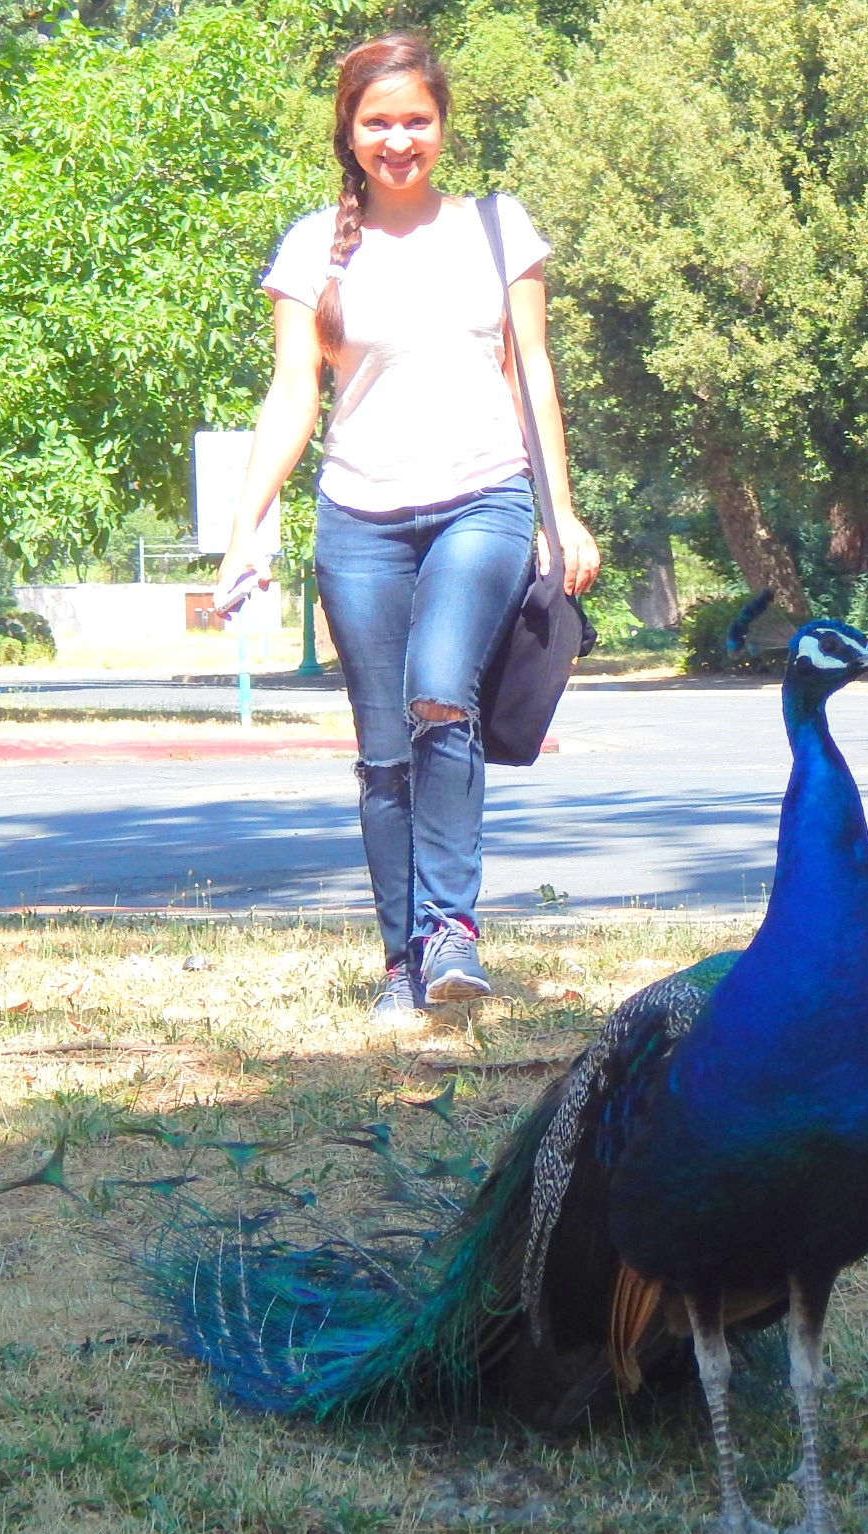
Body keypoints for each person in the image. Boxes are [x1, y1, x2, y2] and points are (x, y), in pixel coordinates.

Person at [212, 31, 600, 1017]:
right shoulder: (312, 248)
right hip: (358, 520)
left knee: (441, 695)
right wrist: (247, 523)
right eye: (377, 121)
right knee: (384, 749)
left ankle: (453, 933)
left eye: (415, 119)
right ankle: (402, 966)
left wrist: (562, 513)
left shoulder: (499, 229)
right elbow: (292, 392)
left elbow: (533, 373)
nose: (398, 139)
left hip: (485, 497)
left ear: (443, 124)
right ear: (348, 130)